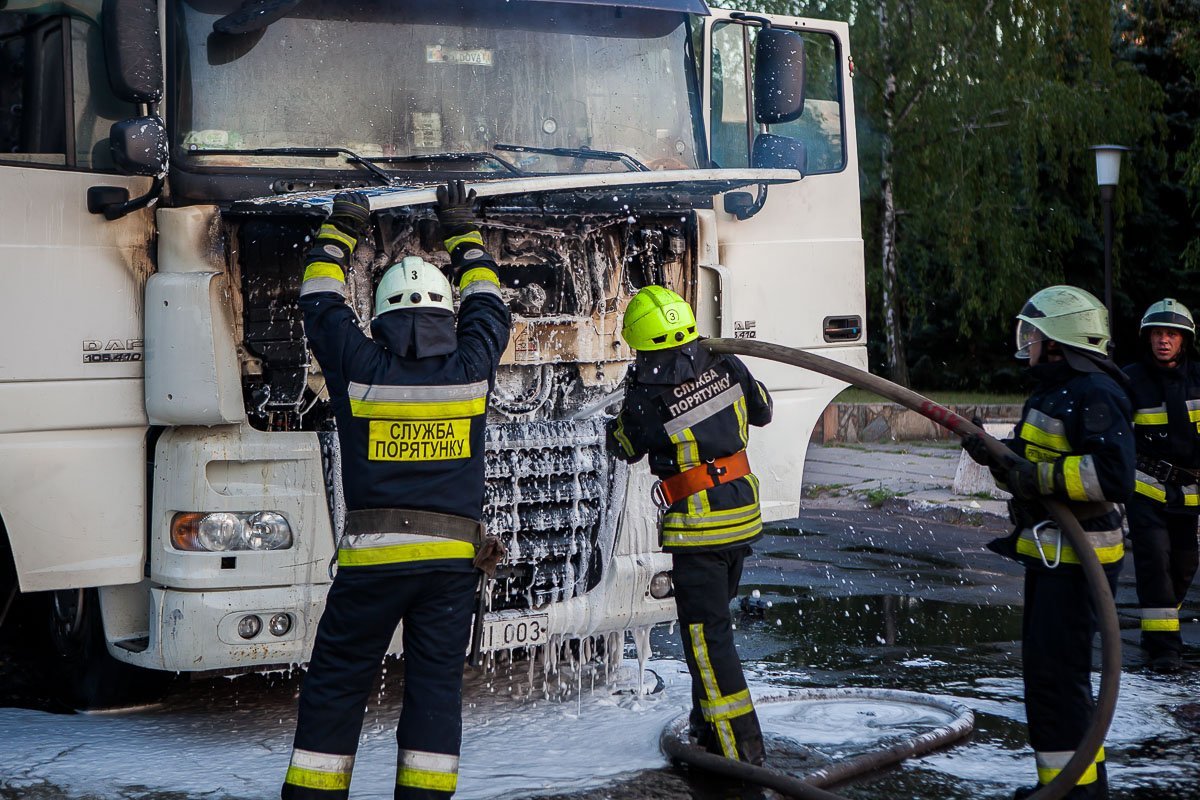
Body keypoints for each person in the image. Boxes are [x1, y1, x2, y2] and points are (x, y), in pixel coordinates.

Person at [281, 181, 511, 800]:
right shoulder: (473, 366)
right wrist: (462, 230)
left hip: (371, 570)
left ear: (380, 318)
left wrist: (342, 230)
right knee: (436, 691)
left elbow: (321, 303)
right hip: (450, 570)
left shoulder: (360, 365)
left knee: (338, 684)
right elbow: (490, 306)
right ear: (446, 316)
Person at [963, 285, 1133, 800]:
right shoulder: (1054, 390)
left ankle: (1074, 794)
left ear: (1059, 342)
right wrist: (994, 452)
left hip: (1081, 561)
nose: (1029, 344)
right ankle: (1064, 786)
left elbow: (1110, 475)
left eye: (1035, 335)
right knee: (1047, 681)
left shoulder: (1095, 394)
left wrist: (1035, 478)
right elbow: (1029, 462)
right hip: (1051, 555)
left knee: (1060, 685)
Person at [605, 285, 771, 765]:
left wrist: (621, 408)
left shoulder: (646, 396)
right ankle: (705, 724)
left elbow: (624, 446)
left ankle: (740, 751)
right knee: (715, 627)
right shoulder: (727, 364)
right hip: (741, 518)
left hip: (699, 532)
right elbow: (762, 410)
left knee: (706, 640)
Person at [1122, 299, 1200, 673]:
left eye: (1171, 334)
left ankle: (1159, 625)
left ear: (1184, 340)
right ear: (1147, 337)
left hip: (1188, 493)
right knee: (1155, 560)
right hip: (1145, 488)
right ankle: (1164, 651)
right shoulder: (1130, 379)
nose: (1163, 341)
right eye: (1157, 333)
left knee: (1185, 563)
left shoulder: (1199, 379)